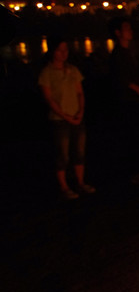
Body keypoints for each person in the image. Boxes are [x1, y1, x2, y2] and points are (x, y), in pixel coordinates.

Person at [38, 37, 93, 199]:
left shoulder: (73, 70)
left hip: (77, 117)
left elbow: (80, 93)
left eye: (66, 50)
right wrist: (66, 116)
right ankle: (64, 187)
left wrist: (80, 112)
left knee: (79, 152)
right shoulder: (46, 73)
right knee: (62, 154)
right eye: (60, 50)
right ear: (52, 52)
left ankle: (80, 183)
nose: (64, 54)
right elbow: (49, 99)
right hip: (59, 120)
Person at [108, 17, 139, 185]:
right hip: (127, 101)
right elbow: (123, 79)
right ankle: (136, 172)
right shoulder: (118, 53)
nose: (131, 31)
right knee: (133, 135)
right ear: (118, 33)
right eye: (127, 28)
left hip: (134, 100)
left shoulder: (128, 52)